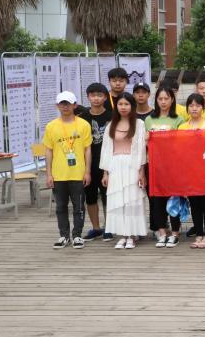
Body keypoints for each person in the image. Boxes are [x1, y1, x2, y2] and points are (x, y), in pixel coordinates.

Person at [44, 91, 93, 249]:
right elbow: (49, 150)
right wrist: (49, 174)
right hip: (59, 174)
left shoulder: (83, 125)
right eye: (62, 103)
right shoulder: (51, 126)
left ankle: (77, 235)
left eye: (68, 103)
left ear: (75, 105)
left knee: (79, 206)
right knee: (60, 207)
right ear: (57, 106)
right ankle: (64, 235)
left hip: (78, 173)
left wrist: (87, 171)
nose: (65, 106)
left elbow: (87, 149)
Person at [101, 92, 148, 249]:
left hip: (132, 165)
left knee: (131, 200)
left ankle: (132, 234)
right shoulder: (111, 125)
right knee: (118, 201)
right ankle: (122, 234)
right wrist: (105, 172)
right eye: (120, 104)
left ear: (132, 106)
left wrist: (141, 171)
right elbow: (106, 150)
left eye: (126, 104)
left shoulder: (139, 124)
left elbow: (141, 149)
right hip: (115, 166)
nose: (123, 107)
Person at [145, 86, 186, 247]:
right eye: (160, 99)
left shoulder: (178, 120)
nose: (163, 102)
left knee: (174, 199)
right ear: (156, 100)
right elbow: (145, 143)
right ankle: (162, 232)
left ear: (172, 100)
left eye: (166, 98)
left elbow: (182, 144)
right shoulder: (149, 120)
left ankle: (175, 233)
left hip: (173, 166)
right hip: (154, 166)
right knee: (157, 200)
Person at [177, 94, 205, 248]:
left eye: (197, 105)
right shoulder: (182, 127)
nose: (194, 108)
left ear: (202, 108)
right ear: (187, 108)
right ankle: (199, 233)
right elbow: (178, 150)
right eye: (191, 105)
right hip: (189, 170)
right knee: (195, 203)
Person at [78, 83, 112, 241]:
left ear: (105, 97)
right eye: (93, 95)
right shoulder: (82, 117)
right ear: (88, 97)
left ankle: (109, 227)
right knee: (90, 197)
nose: (96, 98)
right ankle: (96, 228)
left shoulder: (112, 116)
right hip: (88, 163)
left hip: (108, 162)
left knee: (108, 196)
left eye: (99, 95)